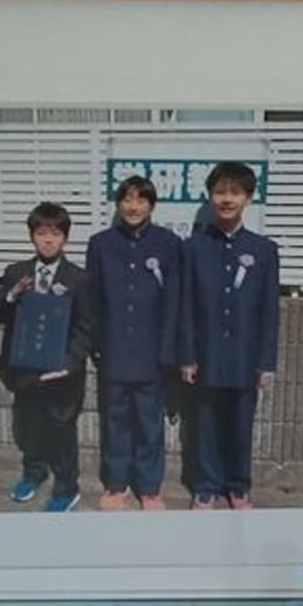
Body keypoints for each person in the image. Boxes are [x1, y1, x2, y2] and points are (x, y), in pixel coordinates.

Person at [179, 161, 280, 509]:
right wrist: (187, 356)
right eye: (220, 192)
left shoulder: (264, 250)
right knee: (204, 424)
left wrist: (266, 362)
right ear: (209, 197)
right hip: (205, 354)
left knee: (240, 425)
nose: (226, 199)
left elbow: (269, 310)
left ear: (248, 199)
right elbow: (185, 306)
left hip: (244, 356)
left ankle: (239, 485)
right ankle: (206, 485)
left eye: (235, 192)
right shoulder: (193, 247)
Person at [83, 174, 183, 511]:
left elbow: (174, 302)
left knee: (150, 424)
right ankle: (116, 483)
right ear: (118, 204)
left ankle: (150, 488)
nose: (133, 206)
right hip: (113, 351)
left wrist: (168, 351)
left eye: (141, 200)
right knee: (115, 421)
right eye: (127, 199)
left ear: (152, 205)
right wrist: (97, 346)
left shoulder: (169, 243)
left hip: (152, 355)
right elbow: (92, 300)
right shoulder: (101, 243)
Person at [0, 200, 91, 512]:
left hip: (62, 374)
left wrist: (70, 363)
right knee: (31, 427)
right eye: (41, 233)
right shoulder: (15, 273)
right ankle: (33, 474)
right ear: (31, 236)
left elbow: (86, 327)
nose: (48, 240)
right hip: (26, 369)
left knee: (62, 433)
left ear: (66, 238)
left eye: (55, 234)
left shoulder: (78, 278)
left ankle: (66, 488)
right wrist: (11, 296)